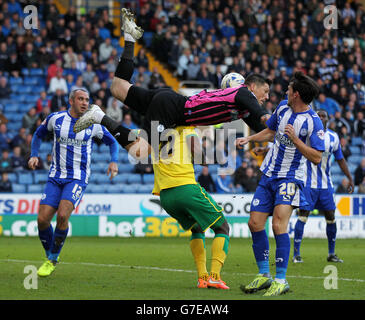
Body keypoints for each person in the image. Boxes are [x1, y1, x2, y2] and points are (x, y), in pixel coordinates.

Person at [73, 9, 271, 160]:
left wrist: (272, 142)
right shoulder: (243, 93)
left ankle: (130, 38)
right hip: (172, 110)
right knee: (140, 153)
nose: (267, 97)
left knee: (117, 86)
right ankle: (99, 116)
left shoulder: (241, 106)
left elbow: (264, 129)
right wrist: (275, 117)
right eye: (266, 91)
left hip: (170, 99)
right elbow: (263, 117)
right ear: (251, 86)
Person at [236, 72, 325, 296]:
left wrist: (296, 140)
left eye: (289, 88)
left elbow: (316, 157)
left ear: (296, 94)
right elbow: (271, 132)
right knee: (255, 223)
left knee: (278, 226)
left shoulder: (313, 121)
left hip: (291, 178)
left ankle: (281, 279)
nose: (285, 90)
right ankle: (264, 276)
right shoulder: (284, 107)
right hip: (268, 174)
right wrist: (250, 138)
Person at [28, 88, 119, 277]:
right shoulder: (56, 119)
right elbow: (37, 134)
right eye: (80, 99)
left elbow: (112, 142)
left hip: (78, 177)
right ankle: (50, 254)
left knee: (62, 215)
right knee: (42, 220)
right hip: (55, 176)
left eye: (87, 99)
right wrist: (34, 155)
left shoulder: (93, 123)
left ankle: (52, 258)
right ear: (71, 101)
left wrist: (113, 161)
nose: (85, 102)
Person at [152, 125, 230, 289]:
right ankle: (214, 276)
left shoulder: (154, 134)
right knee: (222, 227)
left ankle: (202, 277)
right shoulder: (186, 130)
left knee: (197, 229)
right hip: (185, 188)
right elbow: (202, 158)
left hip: (165, 196)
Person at [293, 109, 354, 264]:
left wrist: (349, 178)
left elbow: (340, 159)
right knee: (303, 215)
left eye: (323, 116)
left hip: (326, 185)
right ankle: (296, 254)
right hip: (308, 183)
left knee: (331, 217)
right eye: (318, 116)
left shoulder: (333, 137)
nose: (321, 118)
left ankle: (331, 253)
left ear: (328, 119)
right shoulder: (307, 135)